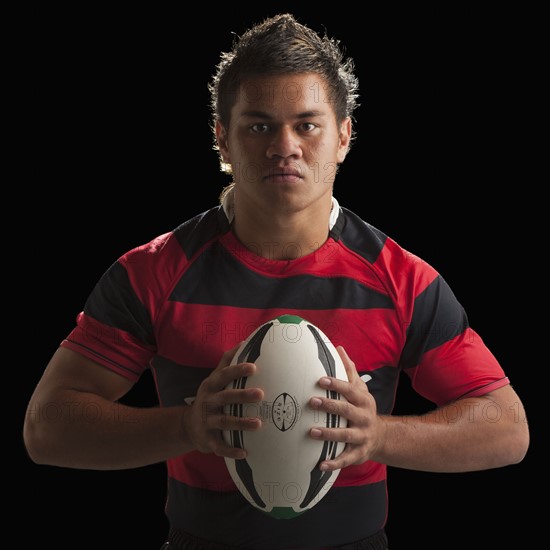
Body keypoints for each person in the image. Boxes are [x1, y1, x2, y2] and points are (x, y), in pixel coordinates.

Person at [23, 12, 529, 550]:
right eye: (259, 125)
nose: (283, 146)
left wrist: (379, 435)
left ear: (343, 137)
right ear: (223, 138)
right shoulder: (152, 273)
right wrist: (188, 427)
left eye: (307, 125)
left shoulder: (403, 280)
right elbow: (46, 428)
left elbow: (506, 429)